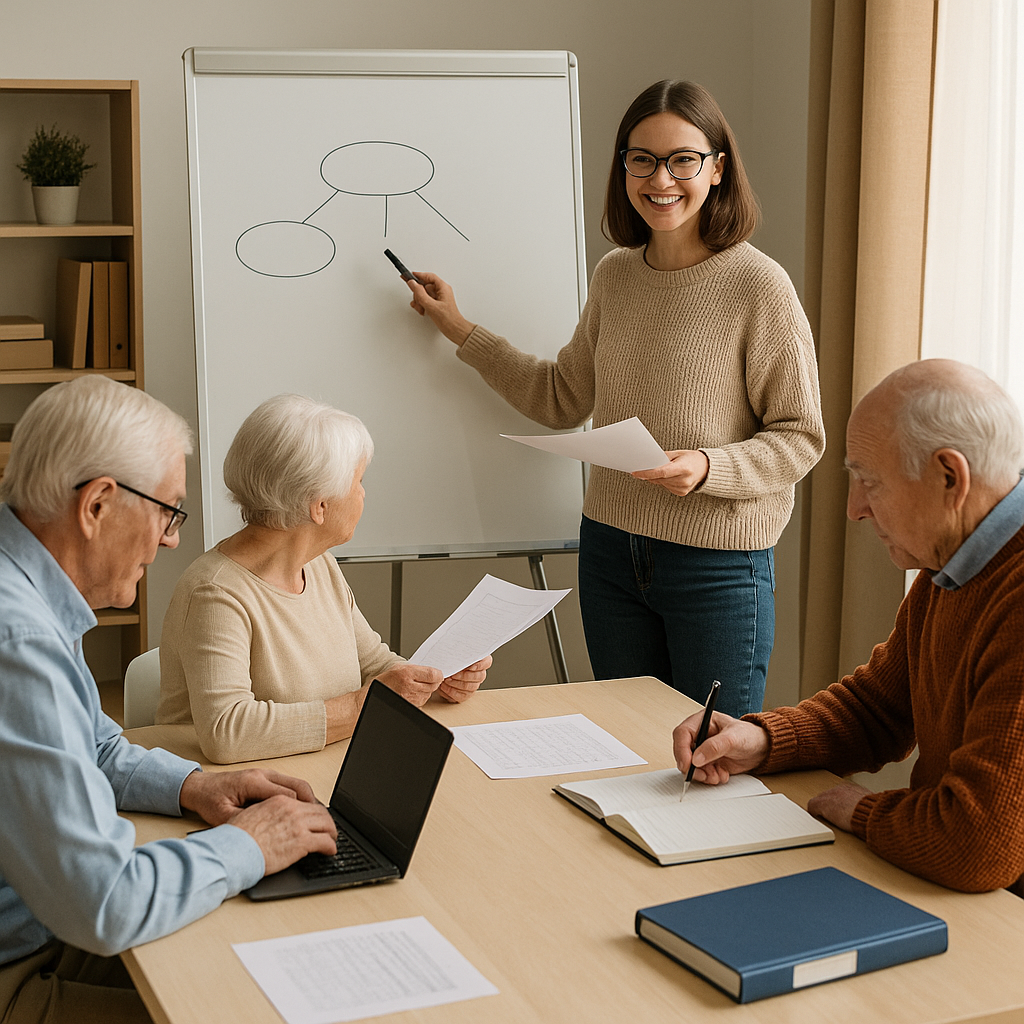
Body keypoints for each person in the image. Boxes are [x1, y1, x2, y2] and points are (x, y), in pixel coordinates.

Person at [404, 80, 825, 717]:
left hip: (716, 565)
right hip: (609, 553)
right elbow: (560, 396)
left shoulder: (757, 284)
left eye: (683, 159)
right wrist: (459, 328)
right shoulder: (617, 275)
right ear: (623, 168)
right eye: (642, 159)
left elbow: (800, 435)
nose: (662, 178)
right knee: (628, 749)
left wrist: (708, 467)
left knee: (710, 761)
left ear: (717, 169)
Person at [0, 376, 338, 1024]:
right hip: (21, 966)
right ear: (98, 503)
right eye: (168, 510)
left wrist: (194, 786)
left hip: (42, 920)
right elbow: (104, 903)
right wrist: (251, 843)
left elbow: (93, 744)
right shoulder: (16, 639)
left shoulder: (28, 589)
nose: (171, 540)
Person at [673, 359, 1024, 895]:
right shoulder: (953, 563)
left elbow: (977, 845)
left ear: (950, 477)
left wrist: (862, 809)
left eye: (869, 481)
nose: (854, 509)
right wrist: (763, 740)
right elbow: (878, 710)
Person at [157, 393, 490, 763]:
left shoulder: (319, 565)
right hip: (228, 792)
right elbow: (227, 732)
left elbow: (374, 663)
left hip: (322, 770)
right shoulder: (215, 592)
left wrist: (433, 678)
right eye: (359, 481)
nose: (364, 493)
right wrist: (364, 705)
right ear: (319, 505)